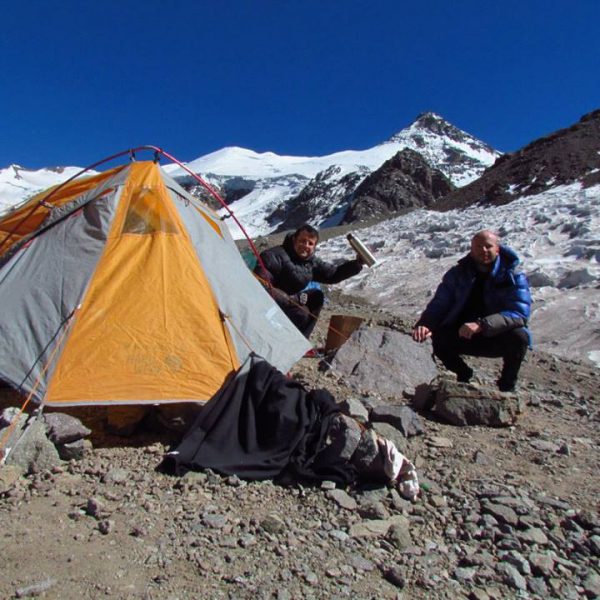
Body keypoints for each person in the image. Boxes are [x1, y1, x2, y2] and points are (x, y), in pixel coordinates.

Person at [412, 230, 531, 392]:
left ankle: (507, 387)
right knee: (431, 336)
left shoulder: (513, 277)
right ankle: (462, 374)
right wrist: (425, 324)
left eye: (488, 246)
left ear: (498, 249)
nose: (483, 250)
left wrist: (482, 324)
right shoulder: (457, 274)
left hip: (493, 335)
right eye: (478, 246)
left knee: (520, 336)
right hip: (461, 333)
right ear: (471, 249)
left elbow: (519, 313)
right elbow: (440, 304)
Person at [254, 224, 364, 338]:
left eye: (310, 243)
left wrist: (357, 264)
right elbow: (262, 286)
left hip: (290, 304)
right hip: (267, 307)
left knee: (316, 296)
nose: (306, 246)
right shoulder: (273, 256)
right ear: (294, 239)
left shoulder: (311, 263)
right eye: (302, 241)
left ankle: (301, 341)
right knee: (301, 313)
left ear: (314, 247)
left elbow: (333, 274)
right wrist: (293, 300)